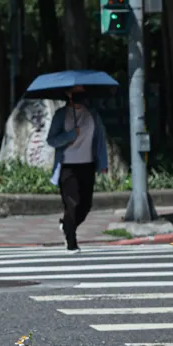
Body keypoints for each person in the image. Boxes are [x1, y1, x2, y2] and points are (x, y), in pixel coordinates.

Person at [46, 85, 108, 253]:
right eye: (76, 92)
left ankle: (67, 225)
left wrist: (103, 164)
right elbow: (51, 140)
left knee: (85, 205)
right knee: (72, 204)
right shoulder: (61, 115)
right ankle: (71, 242)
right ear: (69, 95)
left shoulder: (92, 115)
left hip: (87, 164)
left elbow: (100, 140)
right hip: (68, 166)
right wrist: (69, 136)